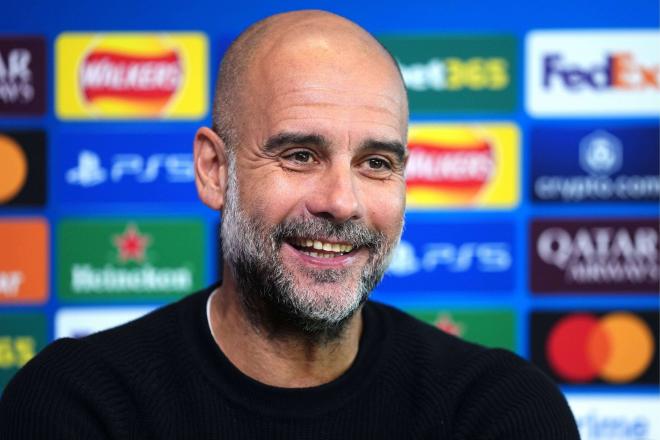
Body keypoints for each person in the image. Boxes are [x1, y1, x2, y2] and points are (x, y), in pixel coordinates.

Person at [0, 10, 579, 439]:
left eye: (376, 164)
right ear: (214, 171)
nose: (341, 202)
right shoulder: (80, 406)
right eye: (300, 155)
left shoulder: (497, 411)